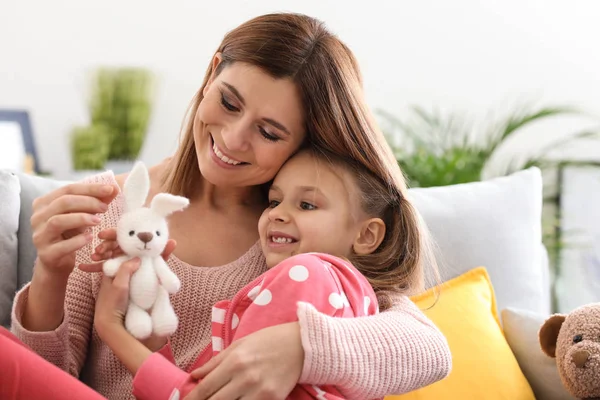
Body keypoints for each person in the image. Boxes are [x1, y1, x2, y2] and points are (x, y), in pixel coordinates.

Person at [6, 12, 451, 400]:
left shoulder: (292, 233)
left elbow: (428, 351)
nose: (234, 139)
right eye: (229, 102)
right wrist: (51, 272)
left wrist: (300, 347)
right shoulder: (111, 205)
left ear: (305, 141)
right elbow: (36, 383)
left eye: (270, 133)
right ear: (212, 73)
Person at [94, 148, 426, 400]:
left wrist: (112, 328)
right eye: (273, 201)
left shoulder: (306, 274)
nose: (279, 214)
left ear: (367, 235)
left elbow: (201, 395)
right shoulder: (356, 297)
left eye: (307, 205)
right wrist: (152, 344)